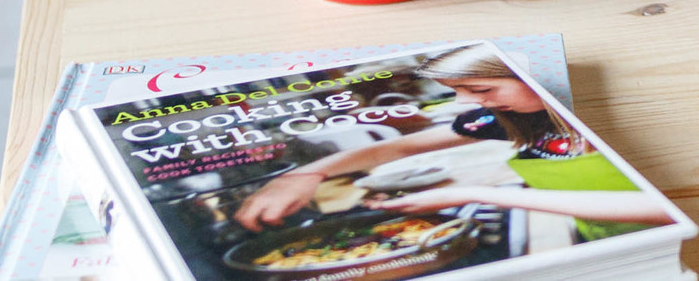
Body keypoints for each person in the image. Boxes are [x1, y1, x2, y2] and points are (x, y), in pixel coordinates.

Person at [232, 47, 669, 236]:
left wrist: (473, 193)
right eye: (461, 94)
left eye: (481, 90)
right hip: (599, 236)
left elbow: (659, 211)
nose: (473, 105)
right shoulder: (511, 117)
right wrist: (307, 174)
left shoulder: (590, 115)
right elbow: (398, 148)